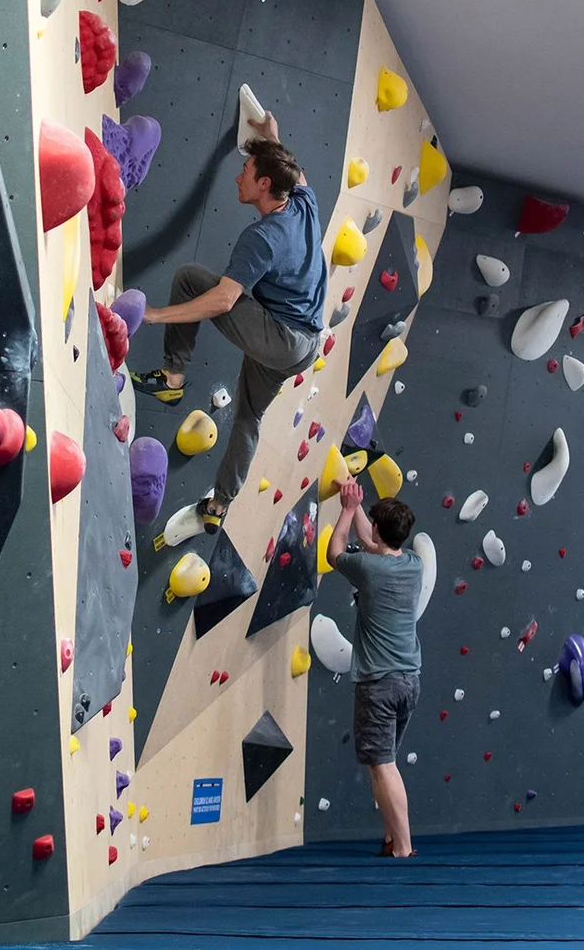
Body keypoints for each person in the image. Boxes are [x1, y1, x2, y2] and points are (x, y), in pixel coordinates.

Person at [131, 113, 325, 533]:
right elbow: (299, 175)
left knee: (190, 280)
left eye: (246, 171)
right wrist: (272, 138)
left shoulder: (263, 238)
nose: (239, 177)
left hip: (282, 338)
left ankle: (172, 377)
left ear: (265, 186)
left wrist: (154, 315)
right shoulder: (303, 203)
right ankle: (218, 505)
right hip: (305, 343)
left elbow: (222, 300)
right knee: (247, 419)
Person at [326, 477, 422, 858]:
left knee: (383, 767)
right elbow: (373, 542)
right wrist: (357, 501)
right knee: (382, 764)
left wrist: (348, 510)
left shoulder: (368, 569)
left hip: (379, 684)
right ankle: (390, 838)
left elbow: (336, 554)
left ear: (380, 529)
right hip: (408, 681)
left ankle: (403, 848)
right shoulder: (410, 564)